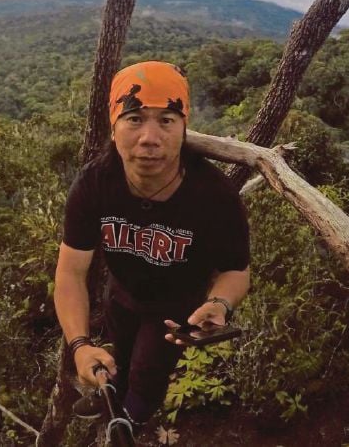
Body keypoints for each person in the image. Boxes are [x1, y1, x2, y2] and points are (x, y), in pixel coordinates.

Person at [54, 60, 250, 431]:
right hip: (121, 295)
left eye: (166, 120)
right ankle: (114, 397)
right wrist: (80, 344)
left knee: (149, 370)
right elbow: (70, 272)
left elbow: (235, 271)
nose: (149, 137)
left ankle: (130, 423)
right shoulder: (96, 184)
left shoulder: (213, 195)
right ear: (114, 126)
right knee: (120, 357)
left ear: (183, 127)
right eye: (135, 118)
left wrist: (219, 303)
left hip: (175, 312)